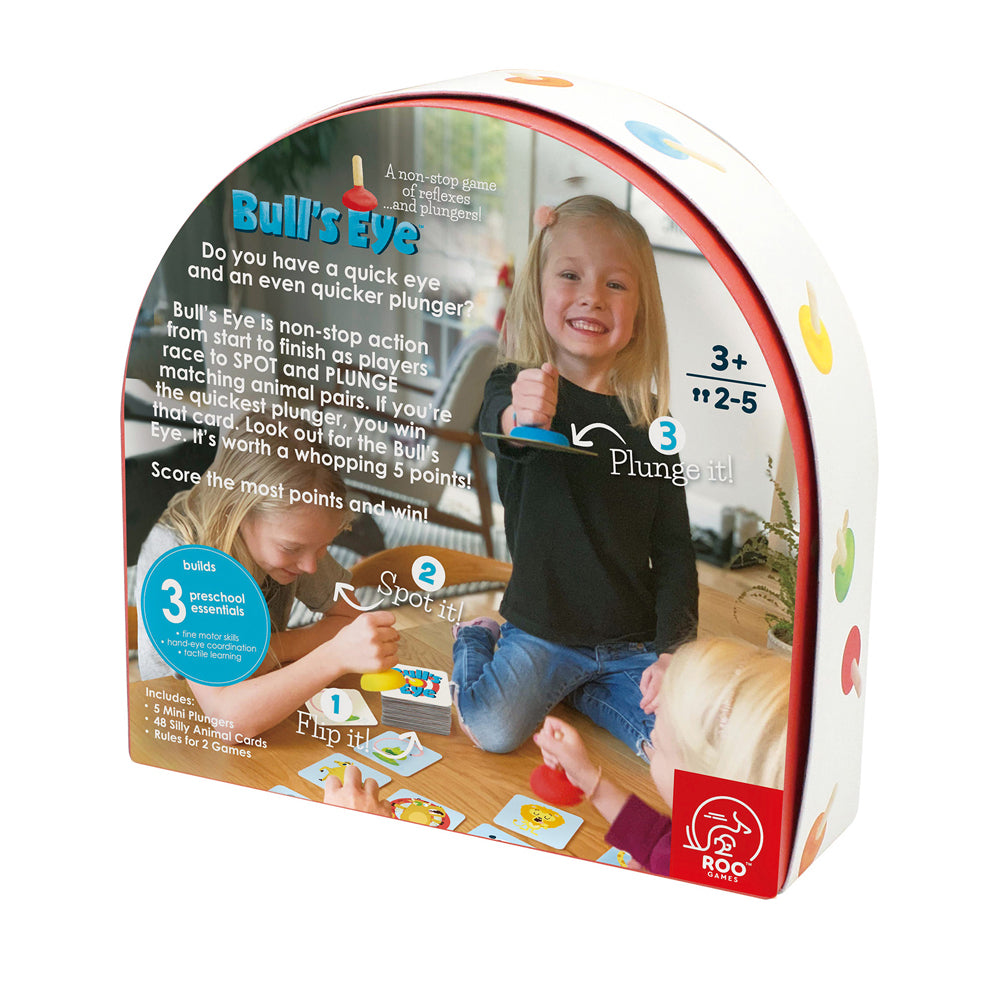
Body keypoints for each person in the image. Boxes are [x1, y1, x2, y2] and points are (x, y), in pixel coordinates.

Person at [452, 195, 699, 759]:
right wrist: (521, 417)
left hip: (631, 644)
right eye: (570, 275)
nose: (593, 296)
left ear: (640, 314)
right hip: (542, 632)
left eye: (616, 284)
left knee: (676, 749)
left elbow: (674, 548)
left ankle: (581, 689)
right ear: (538, 292)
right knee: (492, 730)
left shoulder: (653, 422)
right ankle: (475, 638)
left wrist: (673, 653)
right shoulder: (514, 385)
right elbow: (500, 426)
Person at [134, 416, 399, 737]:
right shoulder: (185, 558)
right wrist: (333, 655)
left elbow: (351, 621)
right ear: (237, 513)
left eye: (322, 548)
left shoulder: (296, 536)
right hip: (183, 732)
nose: (311, 566)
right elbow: (228, 719)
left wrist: (272, 649)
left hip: (266, 710)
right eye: (292, 548)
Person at [533, 638, 790, 875]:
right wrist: (586, 777)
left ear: (704, 791)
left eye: (660, 745)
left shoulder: (690, 875)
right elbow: (660, 841)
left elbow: (662, 848)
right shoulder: (743, 842)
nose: (652, 735)